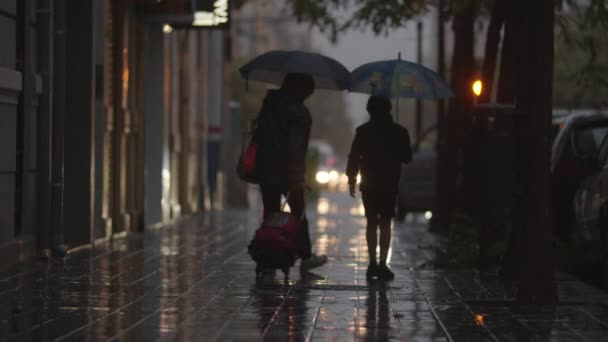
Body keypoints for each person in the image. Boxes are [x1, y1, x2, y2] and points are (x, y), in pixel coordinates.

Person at [255, 73, 328, 271]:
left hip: (266, 170)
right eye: (308, 92)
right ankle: (305, 256)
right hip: (288, 174)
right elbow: (297, 148)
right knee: (299, 214)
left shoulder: (269, 105)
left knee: (270, 214)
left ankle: (266, 261)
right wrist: (298, 177)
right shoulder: (299, 112)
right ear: (301, 90)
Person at [346, 95, 412, 280]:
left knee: (371, 222)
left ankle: (372, 263)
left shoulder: (363, 131)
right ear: (389, 109)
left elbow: (354, 156)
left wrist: (351, 178)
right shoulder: (399, 132)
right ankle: (383, 263)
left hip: (369, 184)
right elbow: (407, 158)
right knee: (385, 223)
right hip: (390, 184)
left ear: (369, 110)